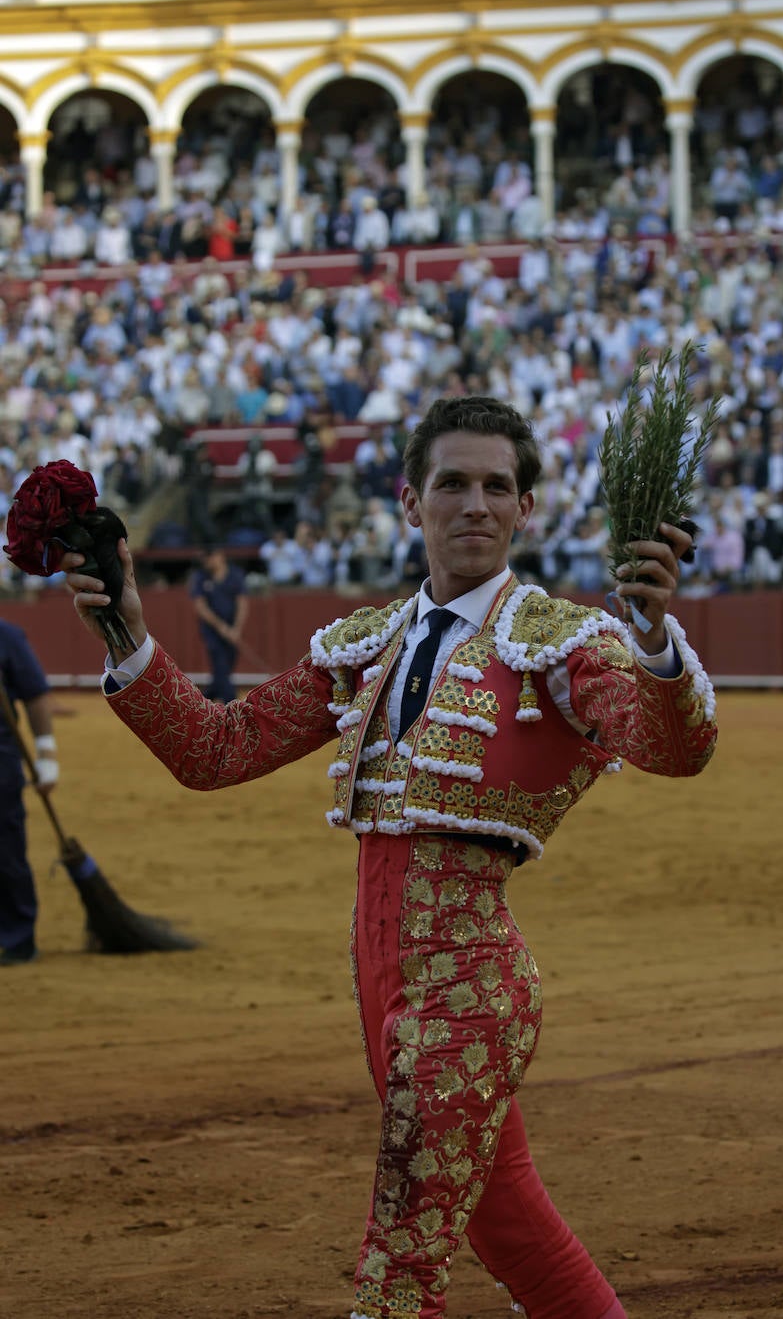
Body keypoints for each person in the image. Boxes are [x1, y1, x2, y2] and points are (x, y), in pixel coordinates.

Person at [64, 395, 717, 1319]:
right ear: (412, 502)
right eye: (454, 483)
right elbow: (217, 750)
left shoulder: (564, 645)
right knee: (513, 1230)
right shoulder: (367, 644)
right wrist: (128, 634)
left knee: (399, 1267)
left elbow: (671, 745)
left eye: (499, 486)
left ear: (527, 509)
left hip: (469, 993)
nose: (477, 505)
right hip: (383, 992)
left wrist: (653, 640)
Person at [0, 619, 59, 966]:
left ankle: (18, 937)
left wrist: (46, 756)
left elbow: (35, 696)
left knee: (5, 850)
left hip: (0, 762)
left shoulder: (5, 637)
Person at [189, 548, 249, 703]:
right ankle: (232, 705)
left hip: (232, 629)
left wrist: (236, 629)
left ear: (221, 555)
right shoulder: (201, 577)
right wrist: (221, 627)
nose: (207, 561)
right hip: (212, 632)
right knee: (221, 665)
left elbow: (242, 603)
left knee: (223, 670)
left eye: (210, 557)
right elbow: (201, 607)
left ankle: (202, 702)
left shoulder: (235, 575)